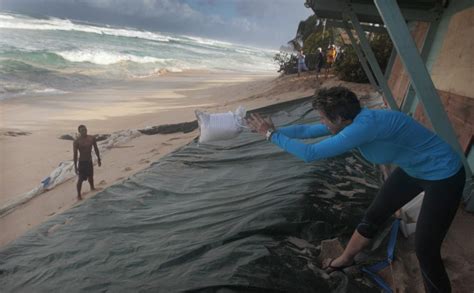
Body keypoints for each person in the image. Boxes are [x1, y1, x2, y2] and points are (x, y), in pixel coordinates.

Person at [246, 86, 465, 293]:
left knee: (425, 248)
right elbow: (306, 129)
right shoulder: (350, 121)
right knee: (373, 216)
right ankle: (346, 258)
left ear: (340, 119)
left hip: (444, 175)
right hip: (414, 170)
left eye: (323, 117)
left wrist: (271, 136)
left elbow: (310, 153)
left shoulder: (364, 127)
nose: (322, 122)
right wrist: (273, 130)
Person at [73, 125, 101, 200]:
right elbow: (75, 155)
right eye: (82, 130)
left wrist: (99, 159)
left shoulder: (91, 138)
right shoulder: (77, 141)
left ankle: (92, 188)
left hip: (89, 161)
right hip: (82, 162)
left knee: (91, 176)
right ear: (79, 132)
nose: (84, 131)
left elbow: (96, 148)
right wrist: (75, 167)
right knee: (80, 179)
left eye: (85, 130)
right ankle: (79, 195)